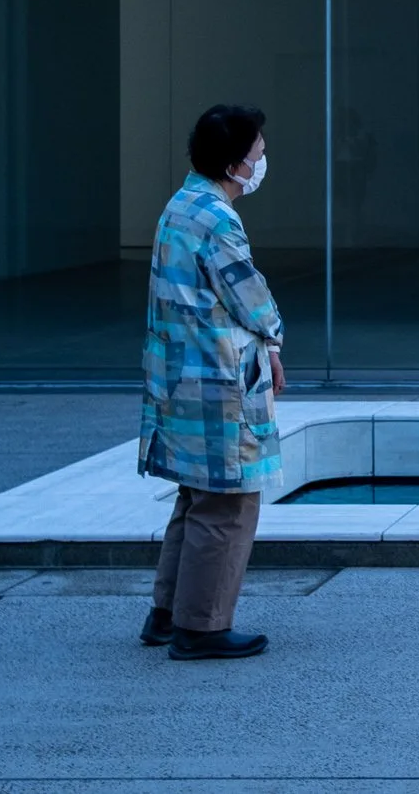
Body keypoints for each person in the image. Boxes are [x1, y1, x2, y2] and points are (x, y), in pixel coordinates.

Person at [137, 104, 285, 660]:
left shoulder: (180, 204)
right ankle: (201, 627)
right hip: (216, 379)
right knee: (228, 502)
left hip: (180, 377)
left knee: (195, 497)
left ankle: (168, 614)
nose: (262, 160)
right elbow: (250, 297)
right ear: (233, 164)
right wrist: (274, 339)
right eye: (257, 155)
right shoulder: (218, 220)